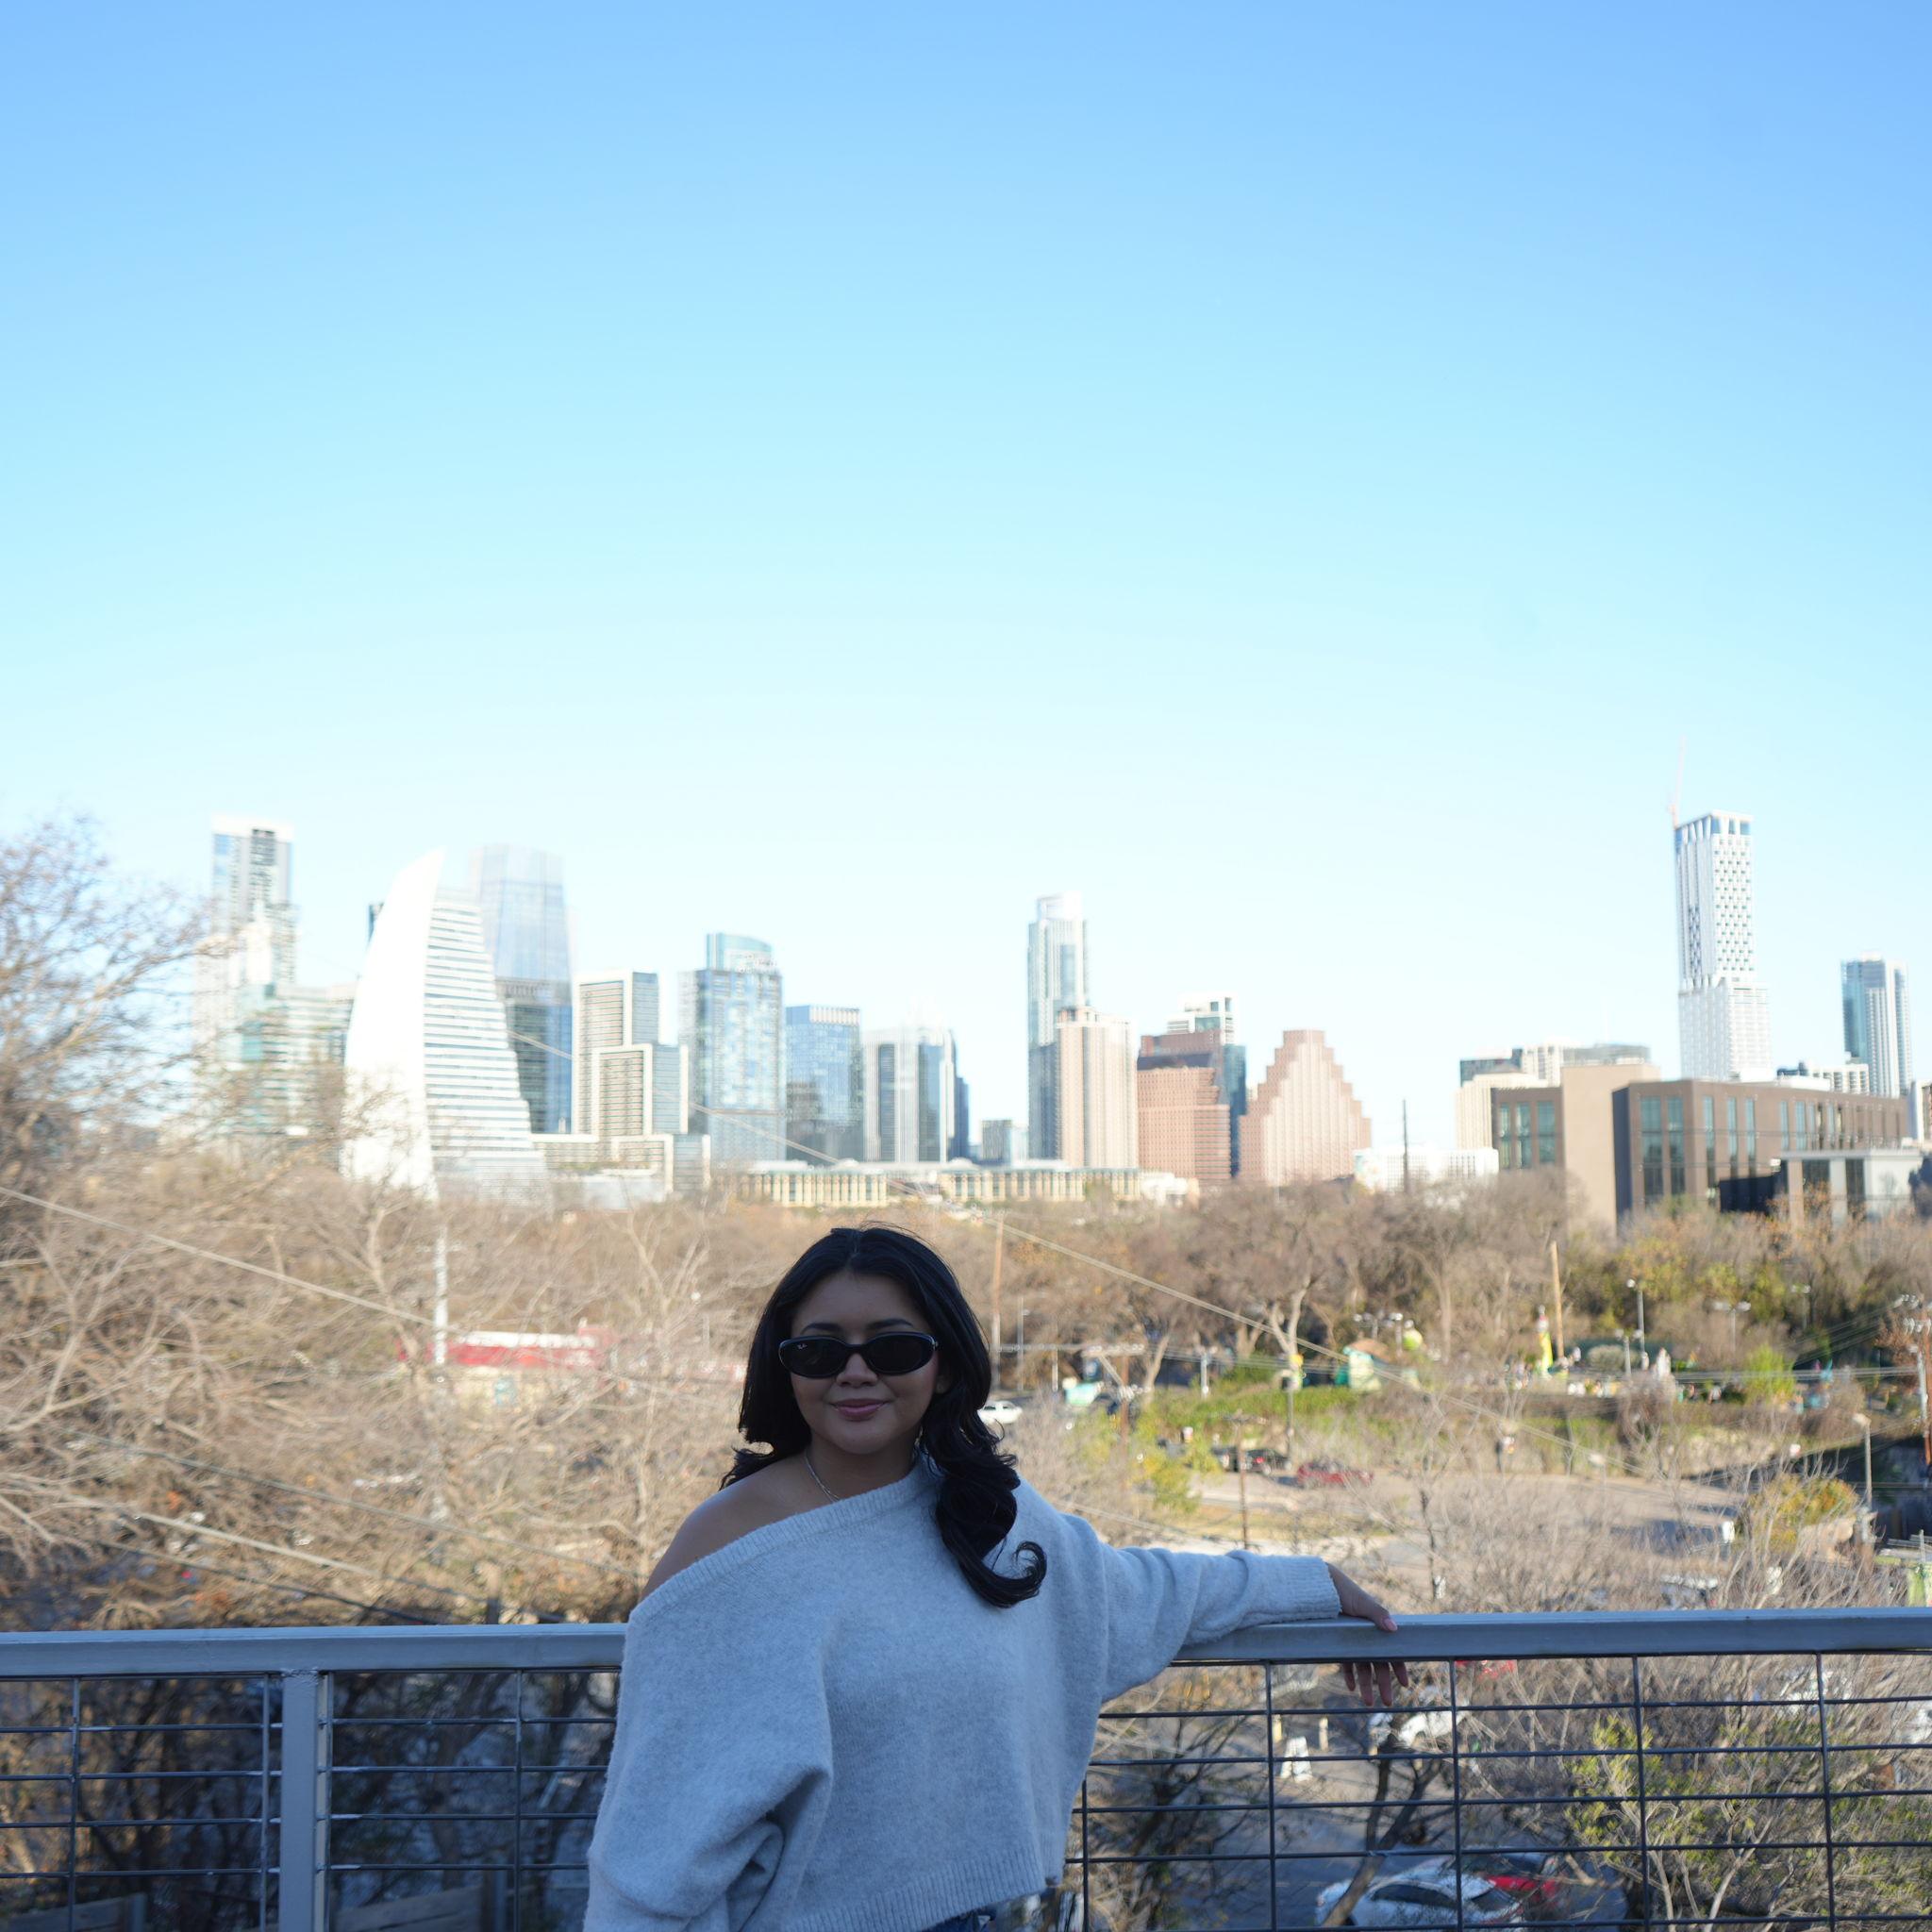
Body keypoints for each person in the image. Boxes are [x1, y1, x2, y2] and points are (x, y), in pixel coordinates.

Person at [583, 1224, 1407, 1932]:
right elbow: (657, 1826)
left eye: (894, 1346)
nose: (855, 1372)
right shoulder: (730, 1545)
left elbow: (1136, 1593)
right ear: (785, 1365)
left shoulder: (987, 1513)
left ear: (943, 1364)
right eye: (820, 1348)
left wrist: (1313, 1585)